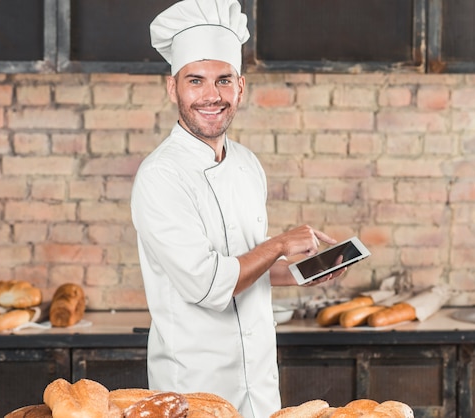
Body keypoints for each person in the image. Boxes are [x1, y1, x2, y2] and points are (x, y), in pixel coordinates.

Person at [130, 1, 345, 417]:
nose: (211, 96)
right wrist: (281, 242)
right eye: (196, 81)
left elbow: (248, 268)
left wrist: (306, 271)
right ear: (173, 88)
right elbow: (211, 285)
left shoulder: (247, 164)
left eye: (223, 80)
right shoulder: (160, 177)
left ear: (240, 87)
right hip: (193, 388)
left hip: (260, 386)